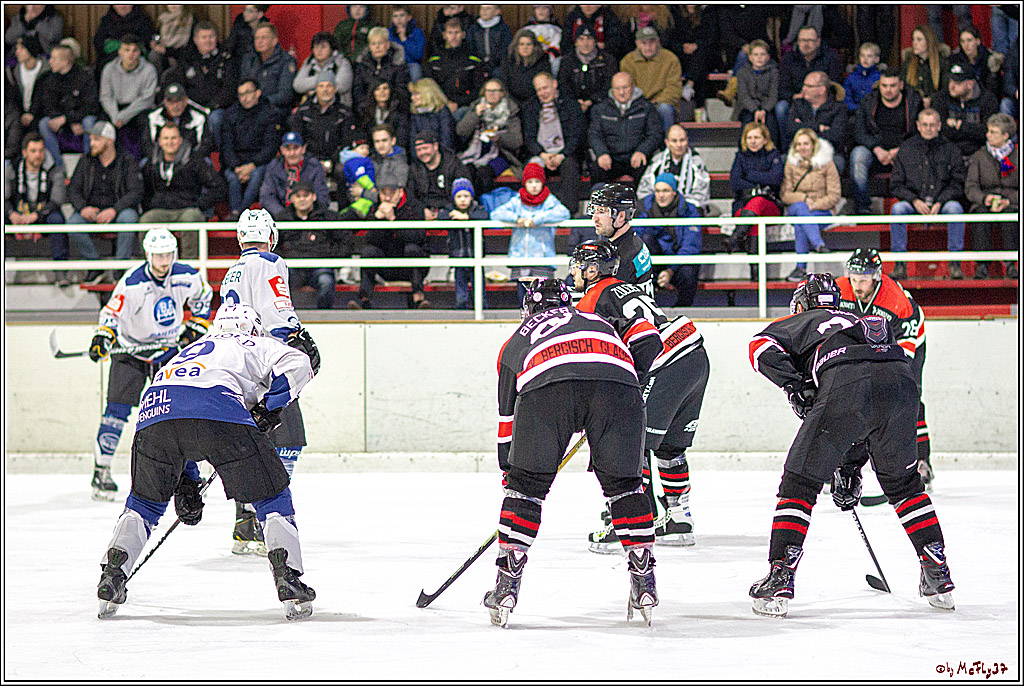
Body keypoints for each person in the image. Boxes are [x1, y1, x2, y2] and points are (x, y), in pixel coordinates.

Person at [747, 273, 954, 617]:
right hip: (901, 384)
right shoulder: (858, 318)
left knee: (799, 483)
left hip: (847, 380)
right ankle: (937, 571)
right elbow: (866, 414)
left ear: (803, 303)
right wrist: (849, 467)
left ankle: (781, 575)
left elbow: (759, 348)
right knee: (905, 486)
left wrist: (795, 385)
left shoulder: (801, 320)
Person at [94, 303, 316, 622]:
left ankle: (112, 574)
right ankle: (288, 576)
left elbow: (181, 412)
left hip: (154, 414)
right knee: (272, 497)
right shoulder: (258, 343)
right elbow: (300, 364)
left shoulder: (191, 350)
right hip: (220, 410)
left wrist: (186, 481)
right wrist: (270, 406)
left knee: (143, 504)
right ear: (252, 327)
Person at [486, 277, 658, 628]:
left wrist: (512, 472)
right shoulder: (596, 319)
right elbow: (648, 339)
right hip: (619, 385)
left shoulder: (517, 339)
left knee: (526, 490)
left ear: (529, 308)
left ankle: (506, 585)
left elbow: (508, 416)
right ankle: (644, 580)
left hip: (549, 387)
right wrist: (625, 384)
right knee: (627, 487)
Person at [570, 239, 708, 550]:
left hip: (662, 363)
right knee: (669, 447)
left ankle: (630, 523)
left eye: (579, 265)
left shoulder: (590, 301)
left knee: (630, 444)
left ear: (593, 269)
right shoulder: (625, 288)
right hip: (693, 353)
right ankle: (678, 519)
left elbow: (608, 352)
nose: (574, 271)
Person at [220, 209, 322, 554]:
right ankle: (271, 521)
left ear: (239, 238)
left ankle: (244, 524)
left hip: (237, 366)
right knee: (288, 441)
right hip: (267, 363)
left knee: (249, 444)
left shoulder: (230, 273)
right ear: (271, 236)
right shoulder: (269, 261)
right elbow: (278, 313)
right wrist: (296, 339)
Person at [86, 227, 213, 501]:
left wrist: (196, 326)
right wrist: (102, 336)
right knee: (116, 412)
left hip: (167, 352)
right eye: (158, 256)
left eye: (168, 255)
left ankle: (188, 474)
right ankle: (102, 470)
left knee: (178, 413)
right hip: (131, 350)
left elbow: (204, 298)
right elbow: (111, 312)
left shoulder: (187, 275)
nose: (164, 261)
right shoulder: (132, 283)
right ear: (148, 255)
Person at [835, 249, 933, 488]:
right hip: (863, 346)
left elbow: (904, 353)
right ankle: (841, 466)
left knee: (907, 398)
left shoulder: (897, 301)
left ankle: (922, 461)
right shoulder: (840, 289)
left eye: (863, 280)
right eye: (854, 278)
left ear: (876, 276)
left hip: (904, 344)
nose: (857, 285)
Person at [888, 109, 966, 281]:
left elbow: (958, 183)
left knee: (955, 208)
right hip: (913, 202)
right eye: (924, 124)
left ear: (939, 126)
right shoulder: (906, 149)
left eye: (932, 125)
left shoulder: (951, 149)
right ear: (918, 126)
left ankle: (955, 264)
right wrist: (914, 200)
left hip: (943, 202)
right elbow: (895, 185)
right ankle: (899, 264)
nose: (928, 128)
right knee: (897, 209)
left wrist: (940, 201)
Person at [67, 121, 144, 281]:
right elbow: (73, 189)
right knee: (73, 223)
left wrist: (114, 209)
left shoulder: (127, 160)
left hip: (118, 211)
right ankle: (94, 266)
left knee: (129, 218)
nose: (92, 143)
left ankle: (120, 268)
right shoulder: (86, 161)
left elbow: (136, 191)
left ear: (109, 140)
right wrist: (82, 208)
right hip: (91, 212)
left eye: (96, 139)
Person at [347, 164, 431, 310]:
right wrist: (378, 221)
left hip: (411, 265)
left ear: (400, 192)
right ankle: (364, 300)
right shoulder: (375, 208)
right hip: (386, 264)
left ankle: (419, 297)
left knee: (412, 249)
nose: (386, 197)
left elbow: (417, 237)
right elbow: (370, 240)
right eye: (383, 192)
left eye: (391, 192)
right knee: (368, 252)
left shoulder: (414, 206)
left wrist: (393, 220)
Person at [139, 122, 226, 259]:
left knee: (191, 218)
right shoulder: (152, 162)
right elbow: (143, 190)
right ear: (160, 141)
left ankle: (189, 268)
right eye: (166, 138)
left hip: (187, 209)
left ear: (180, 140)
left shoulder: (194, 160)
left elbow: (218, 186)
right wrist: (151, 203)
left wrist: (199, 204)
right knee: (146, 220)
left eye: (173, 138)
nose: (170, 142)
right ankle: (151, 266)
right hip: (161, 209)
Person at [490, 162, 571, 304]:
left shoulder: (549, 201)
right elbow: (496, 213)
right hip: (520, 259)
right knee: (523, 301)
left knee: (543, 301)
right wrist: (517, 219)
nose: (534, 185)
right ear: (525, 183)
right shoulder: (516, 201)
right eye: (530, 182)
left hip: (543, 260)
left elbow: (564, 213)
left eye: (537, 181)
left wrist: (537, 219)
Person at [850, 68, 923, 215]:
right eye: (884, 86)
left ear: (901, 85)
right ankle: (863, 208)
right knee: (858, 155)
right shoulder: (869, 102)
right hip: (875, 150)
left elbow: (920, 132)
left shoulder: (914, 101)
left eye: (892, 85)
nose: (888, 90)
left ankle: (917, 205)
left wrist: (900, 150)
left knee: (922, 152)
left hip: (905, 149)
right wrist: (876, 149)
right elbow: (859, 132)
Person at [162, 21, 238, 152]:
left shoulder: (226, 58)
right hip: (190, 106)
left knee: (216, 118)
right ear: (196, 39)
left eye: (211, 37)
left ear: (217, 38)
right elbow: (177, 84)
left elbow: (229, 89)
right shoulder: (187, 58)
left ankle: (220, 156)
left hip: (216, 108)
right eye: (204, 37)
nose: (208, 41)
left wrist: (212, 106)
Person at [4, 132, 68, 284]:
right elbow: (4, 197)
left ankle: (60, 272)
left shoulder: (54, 169)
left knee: (57, 218)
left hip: (43, 215)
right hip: (17, 214)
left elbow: (56, 201)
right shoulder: (12, 169)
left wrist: (35, 216)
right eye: (33, 151)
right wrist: (11, 213)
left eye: (41, 150)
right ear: (24, 152)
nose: (38, 155)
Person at [275, 182, 348, 310]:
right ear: (292, 199)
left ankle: (324, 317)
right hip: (292, 268)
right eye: (298, 196)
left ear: (314, 197)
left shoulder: (328, 217)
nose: (302, 199)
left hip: (320, 267)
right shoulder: (282, 218)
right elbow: (273, 246)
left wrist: (330, 257)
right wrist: (284, 259)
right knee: (277, 285)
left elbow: (346, 242)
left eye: (306, 195)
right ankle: (286, 319)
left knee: (326, 282)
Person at [779, 127, 840, 283]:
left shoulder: (826, 163)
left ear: (814, 145)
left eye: (806, 144)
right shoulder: (791, 163)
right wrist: (804, 199)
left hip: (822, 210)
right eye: (798, 144)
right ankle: (819, 245)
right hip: (796, 206)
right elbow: (785, 194)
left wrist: (814, 205)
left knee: (802, 222)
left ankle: (800, 268)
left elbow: (834, 195)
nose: (802, 148)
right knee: (801, 208)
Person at [727, 121, 785, 280]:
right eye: (749, 137)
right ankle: (756, 274)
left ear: (765, 139)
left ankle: (736, 237)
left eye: (757, 137)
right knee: (754, 219)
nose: (752, 141)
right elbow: (734, 182)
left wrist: (750, 175)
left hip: (770, 206)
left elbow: (776, 179)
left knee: (758, 202)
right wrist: (761, 184)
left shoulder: (773, 155)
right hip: (744, 206)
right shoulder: (740, 156)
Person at [965, 113, 1018, 280]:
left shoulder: (1018, 155)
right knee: (980, 215)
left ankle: (1011, 265)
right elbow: (970, 186)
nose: (988, 135)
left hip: (1011, 202)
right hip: (985, 201)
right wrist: (984, 199)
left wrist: (1009, 200)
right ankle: (982, 266)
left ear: (1005, 135)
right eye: (988, 131)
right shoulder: (979, 156)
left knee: (1010, 215)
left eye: (993, 132)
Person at [635, 174, 702, 307]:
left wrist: (670, 270)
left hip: (677, 262)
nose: (661, 195)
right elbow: (637, 239)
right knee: (644, 242)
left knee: (688, 272)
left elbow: (691, 246)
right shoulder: (644, 208)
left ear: (674, 192)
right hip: (652, 262)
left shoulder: (689, 210)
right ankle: (645, 309)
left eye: (665, 191)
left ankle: (683, 309)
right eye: (658, 191)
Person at [522, 72, 585, 210]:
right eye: (539, 90)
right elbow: (529, 138)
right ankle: (532, 210)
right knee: (531, 169)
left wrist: (562, 155)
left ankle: (568, 212)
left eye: (545, 88)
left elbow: (577, 135)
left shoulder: (570, 104)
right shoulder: (530, 107)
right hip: (541, 155)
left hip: (565, 154)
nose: (542, 93)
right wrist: (542, 155)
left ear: (554, 84)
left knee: (570, 166)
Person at [33, 44, 100, 169]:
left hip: (80, 118)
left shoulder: (84, 77)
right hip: (61, 119)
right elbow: (48, 105)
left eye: (54, 59)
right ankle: (58, 167)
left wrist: (68, 119)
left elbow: (91, 106)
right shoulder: (49, 79)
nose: (50, 61)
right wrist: (63, 119)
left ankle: (88, 165)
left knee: (89, 122)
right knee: (43, 124)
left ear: (65, 62)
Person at [587, 72, 662, 184]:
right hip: (611, 158)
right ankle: (601, 201)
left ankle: (640, 201)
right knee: (597, 169)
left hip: (637, 157)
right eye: (617, 89)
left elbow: (655, 134)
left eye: (625, 87)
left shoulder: (646, 108)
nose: (621, 92)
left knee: (649, 169)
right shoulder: (600, 109)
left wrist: (642, 151)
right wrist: (602, 153)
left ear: (633, 86)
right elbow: (594, 135)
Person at [222, 79, 279, 220]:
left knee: (257, 176)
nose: (244, 98)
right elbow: (227, 145)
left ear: (258, 93)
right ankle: (236, 212)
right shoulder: (231, 114)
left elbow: (270, 147)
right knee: (232, 177)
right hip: (237, 162)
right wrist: (236, 166)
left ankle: (241, 214)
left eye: (248, 93)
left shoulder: (269, 113)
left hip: (259, 162)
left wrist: (252, 164)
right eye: (241, 94)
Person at [456, 79, 524, 196]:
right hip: (474, 153)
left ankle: (486, 207)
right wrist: (475, 115)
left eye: (495, 91)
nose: (491, 94)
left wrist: (498, 138)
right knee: (468, 171)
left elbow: (517, 141)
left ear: (502, 93)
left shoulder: (511, 110)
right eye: (488, 91)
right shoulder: (476, 107)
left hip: (501, 156)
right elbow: (461, 131)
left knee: (484, 173)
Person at [585, 182, 654, 294]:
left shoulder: (625, 254)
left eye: (601, 211)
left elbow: (608, 302)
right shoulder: (631, 243)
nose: (595, 218)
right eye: (594, 210)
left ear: (621, 216)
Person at [99, 34, 158, 161]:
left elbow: (147, 100)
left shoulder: (149, 70)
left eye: (134, 50)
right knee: (101, 124)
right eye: (126, 50)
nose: (130, 54)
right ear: (120, 51)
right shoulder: (109, 69)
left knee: (147, 120)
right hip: (115, 109)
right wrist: (116, 117)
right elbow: (106, 96)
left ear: (139, 52)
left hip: (138, 109)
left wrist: (123, 117)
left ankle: (146, 161)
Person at [776, 26, 843, 128]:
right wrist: (795, 97)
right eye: (802, 40)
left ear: (818, 42)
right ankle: (787, 144)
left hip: (822, 101)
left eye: (810, 40)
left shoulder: (831, 57)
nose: (806, 44)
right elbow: (783, 88)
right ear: (797, 42)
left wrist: (817, 97)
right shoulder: (788, 58)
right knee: (781, 107)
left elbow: (835, 85)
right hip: (797, 101)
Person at [438, 177, 489, 310]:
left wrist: (466, 217)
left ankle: (482, 306)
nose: (462, 199)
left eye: (466, 196)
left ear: (471, 197)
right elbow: (440, 217)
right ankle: (461, 306)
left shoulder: (477, 209)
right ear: (453, 198)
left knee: (478, 283)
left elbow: (485, 216)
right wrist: (453, 216)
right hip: (458, 256)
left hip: (475, 256)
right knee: (460, 284)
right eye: (459, 196)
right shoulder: (449, 210)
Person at [288, 75, 358, 171]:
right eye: (321, 86)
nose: (325, 90)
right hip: (308, 160)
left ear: (335, 89)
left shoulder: (344, 113)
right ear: (316, 89)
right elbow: (299, 139)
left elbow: (346, 143)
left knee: (342, 169)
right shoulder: (303, 111)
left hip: (334, 162)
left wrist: (330, 162)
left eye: (329, 86)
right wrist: (313, 162)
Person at [619, 26, 682, 132]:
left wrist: (656, 103)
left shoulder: (670, 59)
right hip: (638, 103)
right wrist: (643, 104)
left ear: (658, 42)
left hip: (662, 103)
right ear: (637, 44)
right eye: (644, 43)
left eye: (651, 42)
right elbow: (628, 88)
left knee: (664, 109)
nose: (648, 47)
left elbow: (674, 88)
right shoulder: (627, 61)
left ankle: (667, 146)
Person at [782, 71, 847, 173]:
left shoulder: (838, 108)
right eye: (804, 85)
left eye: (809, 86)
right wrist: (818, 127)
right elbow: (790, 129)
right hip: (799, 152)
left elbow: (836, 136)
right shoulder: (798, 104)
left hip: (828, 153)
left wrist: (803, 128)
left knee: (837, 163)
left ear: (822, 90)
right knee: (782, 160)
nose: (803, 89)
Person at [636, 124, 709, 214]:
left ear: (687, 140)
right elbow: (644, 190)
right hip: (658, 209)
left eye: (682, 140)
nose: (679, 145)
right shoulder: (657, 160)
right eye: (674, 141)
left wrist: (681, 207)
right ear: (667, 143)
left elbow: (701, 194)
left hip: (686, 210)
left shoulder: (697, 162)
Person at [930, 63, 999, 158]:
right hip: (948, 152)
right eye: (951, 81)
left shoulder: (988, 100)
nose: (952, 86)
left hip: (978, 153)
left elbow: (986, 133)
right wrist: (971, 130)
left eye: (957, 83)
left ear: (970, 84)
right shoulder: (941, 98)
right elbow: (940, 129)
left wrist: (959, 126)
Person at [259, 131, 330, 220]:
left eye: (296, 148)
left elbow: (322, 196)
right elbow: (267, 197)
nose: (292, 153)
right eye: (288, 149)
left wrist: (308, 215)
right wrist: (283, 215)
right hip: (280, 218)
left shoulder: (315, 167)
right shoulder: (273, 167)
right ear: (282, 150)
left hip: (310, 217)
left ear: (303, 149)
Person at [425, 18, 482, 123]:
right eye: (450, 33)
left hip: (466, 105)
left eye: (457, 32)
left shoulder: (473, 58)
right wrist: (446, 102)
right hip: (440, 103)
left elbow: (479, 87)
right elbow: (430, 86)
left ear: (463, 34)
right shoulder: (435, 59)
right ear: (444, 35)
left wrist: (458, 103)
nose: (453, 37)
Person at [240, 22, 297, 125]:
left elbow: (285, 95)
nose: (259, 42)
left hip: (273, 107)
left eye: (264, 38)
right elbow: (242, 85)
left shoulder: (286, 61)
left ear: (274, 41)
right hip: (248, 105)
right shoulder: (249, 59)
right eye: (257, 38)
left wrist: (260, 100)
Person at [665, 5, 716, 119]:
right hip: (681, 55)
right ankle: (700, 108)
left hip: (702, 54)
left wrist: (696, 45)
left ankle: (689, 85)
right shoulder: (674, 13)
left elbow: (712, 38)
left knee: (700, 57)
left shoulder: (707, 13)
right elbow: (670, 40)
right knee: (699, 67)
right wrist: (682, 47)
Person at [557, 25, 615, 123]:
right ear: (576, 42)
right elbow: (563, 84)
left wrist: (592, 100)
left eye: (589, 39)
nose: (585, 43)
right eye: (581, 39)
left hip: (600, 105)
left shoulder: (607, 60)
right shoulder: (567, 61)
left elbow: (610, 85)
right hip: (573, 105)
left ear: (595, 41)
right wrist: (576, 102)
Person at [409, 129, 470, 221]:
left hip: (450, 213)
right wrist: (421, 210)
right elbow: (411, 196)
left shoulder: (453, 165)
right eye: (418, 150)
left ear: (435, 146)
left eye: (425, 148)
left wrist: (444, 213)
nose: (422, 153)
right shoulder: (414, 168)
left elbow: (464, 193)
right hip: (424, 214)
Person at [145, 83, 212, 161]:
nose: (175, 106)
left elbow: (205, 145)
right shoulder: (154, 117)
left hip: (190, 161)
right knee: (144, 162)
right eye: (171, 102)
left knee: (207, 161)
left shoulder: (198, 117)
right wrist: (165, 158)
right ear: (165, 102)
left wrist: (188, 160)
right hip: (161, 160)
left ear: (185, 100)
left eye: (178, 101)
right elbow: (147, 145)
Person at [352, 26, 411, 112]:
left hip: (393, 110)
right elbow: (358, 90)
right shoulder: (362, 64)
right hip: (367, 110)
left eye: (380, 43)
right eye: (373, 44)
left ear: (387, 45)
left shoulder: (398, 63)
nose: (377, 47)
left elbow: (401, 90)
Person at [735, 39, 780, 148]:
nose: (759, 57)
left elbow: (773, 94)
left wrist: (764, 110)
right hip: (748, 109)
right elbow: (743, 95)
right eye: (755, 54)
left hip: (767, 108)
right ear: (750, 57)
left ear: (768, 57)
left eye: (762, 54)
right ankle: (744, 152)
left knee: (771, 125)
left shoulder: (774, 72)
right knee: (747, 124)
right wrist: (755, 110)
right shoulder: (742, 72)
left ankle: (773, 152)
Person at [6, 35, 49, 149]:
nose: (17, 52)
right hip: (19, 113)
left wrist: (32, 114)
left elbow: (45, 97)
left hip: (39, 112)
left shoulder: (45, 70)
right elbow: (13, 97)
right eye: (16, 48)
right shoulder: (13, 72)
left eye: (21, 48)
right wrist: (22, 114)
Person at [292, 31, 354, 109]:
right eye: (316, 47)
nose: (319, 50)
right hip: (312, 109)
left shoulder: (342, 62)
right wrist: (326, 81)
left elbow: (342, 86)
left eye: (323, 47)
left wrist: (314, 89)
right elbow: (297, 85)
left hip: (338, 110)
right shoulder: (309, 62)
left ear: (331, 48)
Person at [92, 5, 156, 74]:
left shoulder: (143, 20)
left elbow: (147, 43)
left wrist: (127, 50)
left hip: (136, 61)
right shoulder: (106, 20)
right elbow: (98, 42)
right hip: (109, 61)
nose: (122, 6)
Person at [560, 5, 631, 63]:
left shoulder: (609, 17)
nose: (588, 6)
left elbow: (616, 44)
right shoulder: (572, 17)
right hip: (575, 59)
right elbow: (565, 44)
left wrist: (597, 48)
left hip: (603, 61)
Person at [900, 25, 950, 107]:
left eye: (919, 40)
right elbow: (903, 86)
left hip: (937, 107)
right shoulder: (908, 63)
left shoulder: (943, 62)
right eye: (913, 39)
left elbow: (946, 89)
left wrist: (931, 99)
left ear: (929, 41)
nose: (914, 43)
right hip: (913, 107)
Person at [950, 26, 1002, 99]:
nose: (966, 44)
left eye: (969, 40)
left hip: (986, 101)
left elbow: (995, 89)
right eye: (963, 41)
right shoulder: (955, 60)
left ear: (978, 41)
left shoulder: (989, 59)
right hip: (962, 100)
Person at [358, 78, 409, 151]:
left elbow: (402, 137)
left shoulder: (399, 110)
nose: (382, 92)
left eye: (385, 88)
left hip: (394, 151)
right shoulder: (365, 111)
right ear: (373, 92)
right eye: (378, 89)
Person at [503, 29, 551, 106]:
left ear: (534, 46)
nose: (525, 47)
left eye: (528, 44)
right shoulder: (509, 61)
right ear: (516, 46)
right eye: (522, 44)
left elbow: (545, 85)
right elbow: (505, 85)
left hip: (536, 103)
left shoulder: (542, 61)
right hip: (513, 103)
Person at [408, 78, 455, 152]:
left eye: (416, 94)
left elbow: (447, 140)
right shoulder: (415, 114)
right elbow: (413, 141)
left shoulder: (443, 112)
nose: (412, 98)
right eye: (412, 94)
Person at [467, 5, 512, 82]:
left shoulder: (503, 28)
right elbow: (471, 47)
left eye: (488, 8)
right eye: (482, 8)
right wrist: (480, 63)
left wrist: (491, 64)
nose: (484, 11)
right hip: (478, 64)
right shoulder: (474, 29)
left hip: (498, 65)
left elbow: (504, 49)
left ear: (497, 11)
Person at [388, 6, 426, 82]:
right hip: (392, 64)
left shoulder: (417, 32)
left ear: (409, 18)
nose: (399, 19)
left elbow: (418, 55)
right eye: (395, 16)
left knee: (415, 71)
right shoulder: (388, 33)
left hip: (411, 64)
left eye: (402, 15)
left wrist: (404, 39)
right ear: (392, 19)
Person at [843, 42, 882, 113]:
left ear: (877, 59)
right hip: (854, 113)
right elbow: (846, 99)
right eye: (862, 55)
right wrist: (859, 110)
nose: (865, 59)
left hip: (874, 113)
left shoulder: (880, 78)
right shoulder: (851, 78)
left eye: (869, 56)